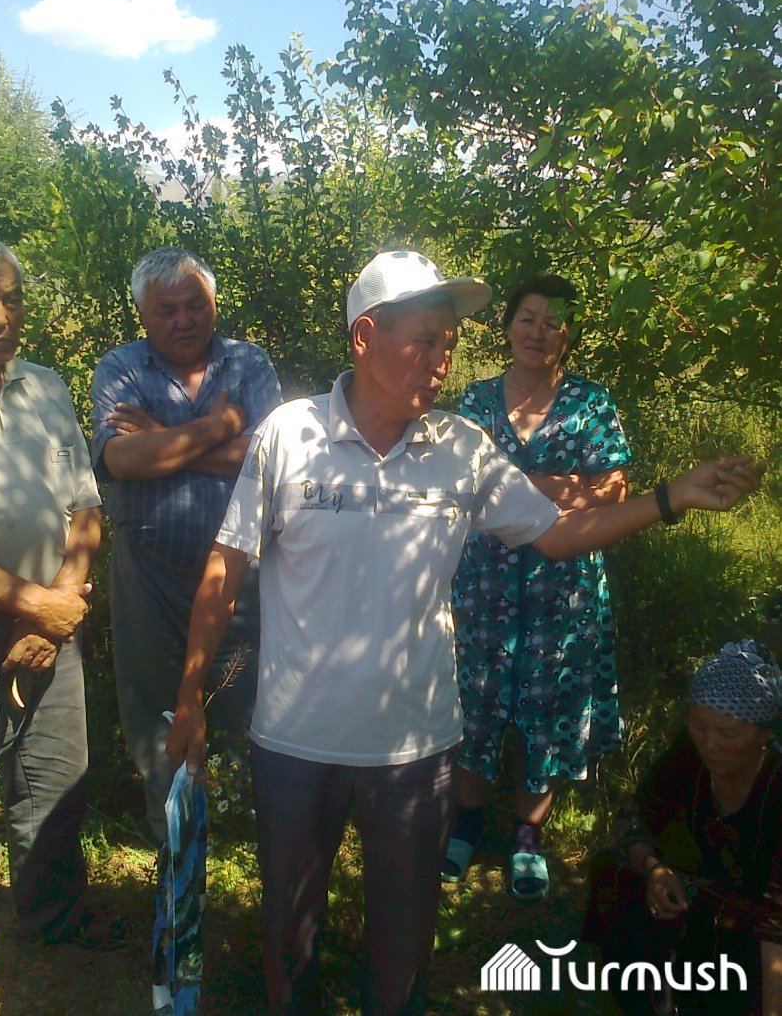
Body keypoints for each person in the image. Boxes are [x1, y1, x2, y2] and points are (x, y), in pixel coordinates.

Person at [165, 249, 763, 1015]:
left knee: (403, 946)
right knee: (290, 933)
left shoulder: (461, 449)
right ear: (365, 337)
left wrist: (670, 498)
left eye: (449, 343)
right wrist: (192, 697)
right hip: (295, 743)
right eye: (425, 341)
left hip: (417, 751)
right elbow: (226, 566)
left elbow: (555, 534)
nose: (442, 361)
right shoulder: (290, 435)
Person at [444, 274, 630, 899]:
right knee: (475, 701)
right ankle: (467, 823)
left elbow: (614, 492)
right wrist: (567, 488)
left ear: (567, 335)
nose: (538, 331)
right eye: (527, 317)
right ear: (507, 327)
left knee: (550, 706)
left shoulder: (591, 403)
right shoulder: (474, 401)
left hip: (564, 589)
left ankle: (528, 837)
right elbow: (464, 488)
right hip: (482, 584)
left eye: (553, 322)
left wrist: (520, 487)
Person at [90, 246, 281, 841]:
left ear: (213, 304)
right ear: (144, 314)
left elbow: (270, 462)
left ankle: (238, 824)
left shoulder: (249, 364)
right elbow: (123, 460)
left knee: (240, 692)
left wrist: (164, 439)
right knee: (153, 702)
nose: (183, 320)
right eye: (166, 310)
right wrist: (221, 426)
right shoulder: (121, 367)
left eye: (194, 305)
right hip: (146, 572)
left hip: (239, 575)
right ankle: (171, 831)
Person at [0, 231, 103, 969]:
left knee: (55, 782)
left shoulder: (47, 387)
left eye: (11, 300)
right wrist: (36, 605)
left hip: (57, 621)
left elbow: (85, 505)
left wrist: (60, 604)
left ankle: (53, 917)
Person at [582, 639, 782, 1016]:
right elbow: (638, 814)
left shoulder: (776, 786)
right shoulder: (689, 754)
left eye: (728, 734)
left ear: (761, 735)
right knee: (614, 873)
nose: (710, 744)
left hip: (762, 927)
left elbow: (776, 925)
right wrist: (653, 869)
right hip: (712, 899)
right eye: (699, 727)